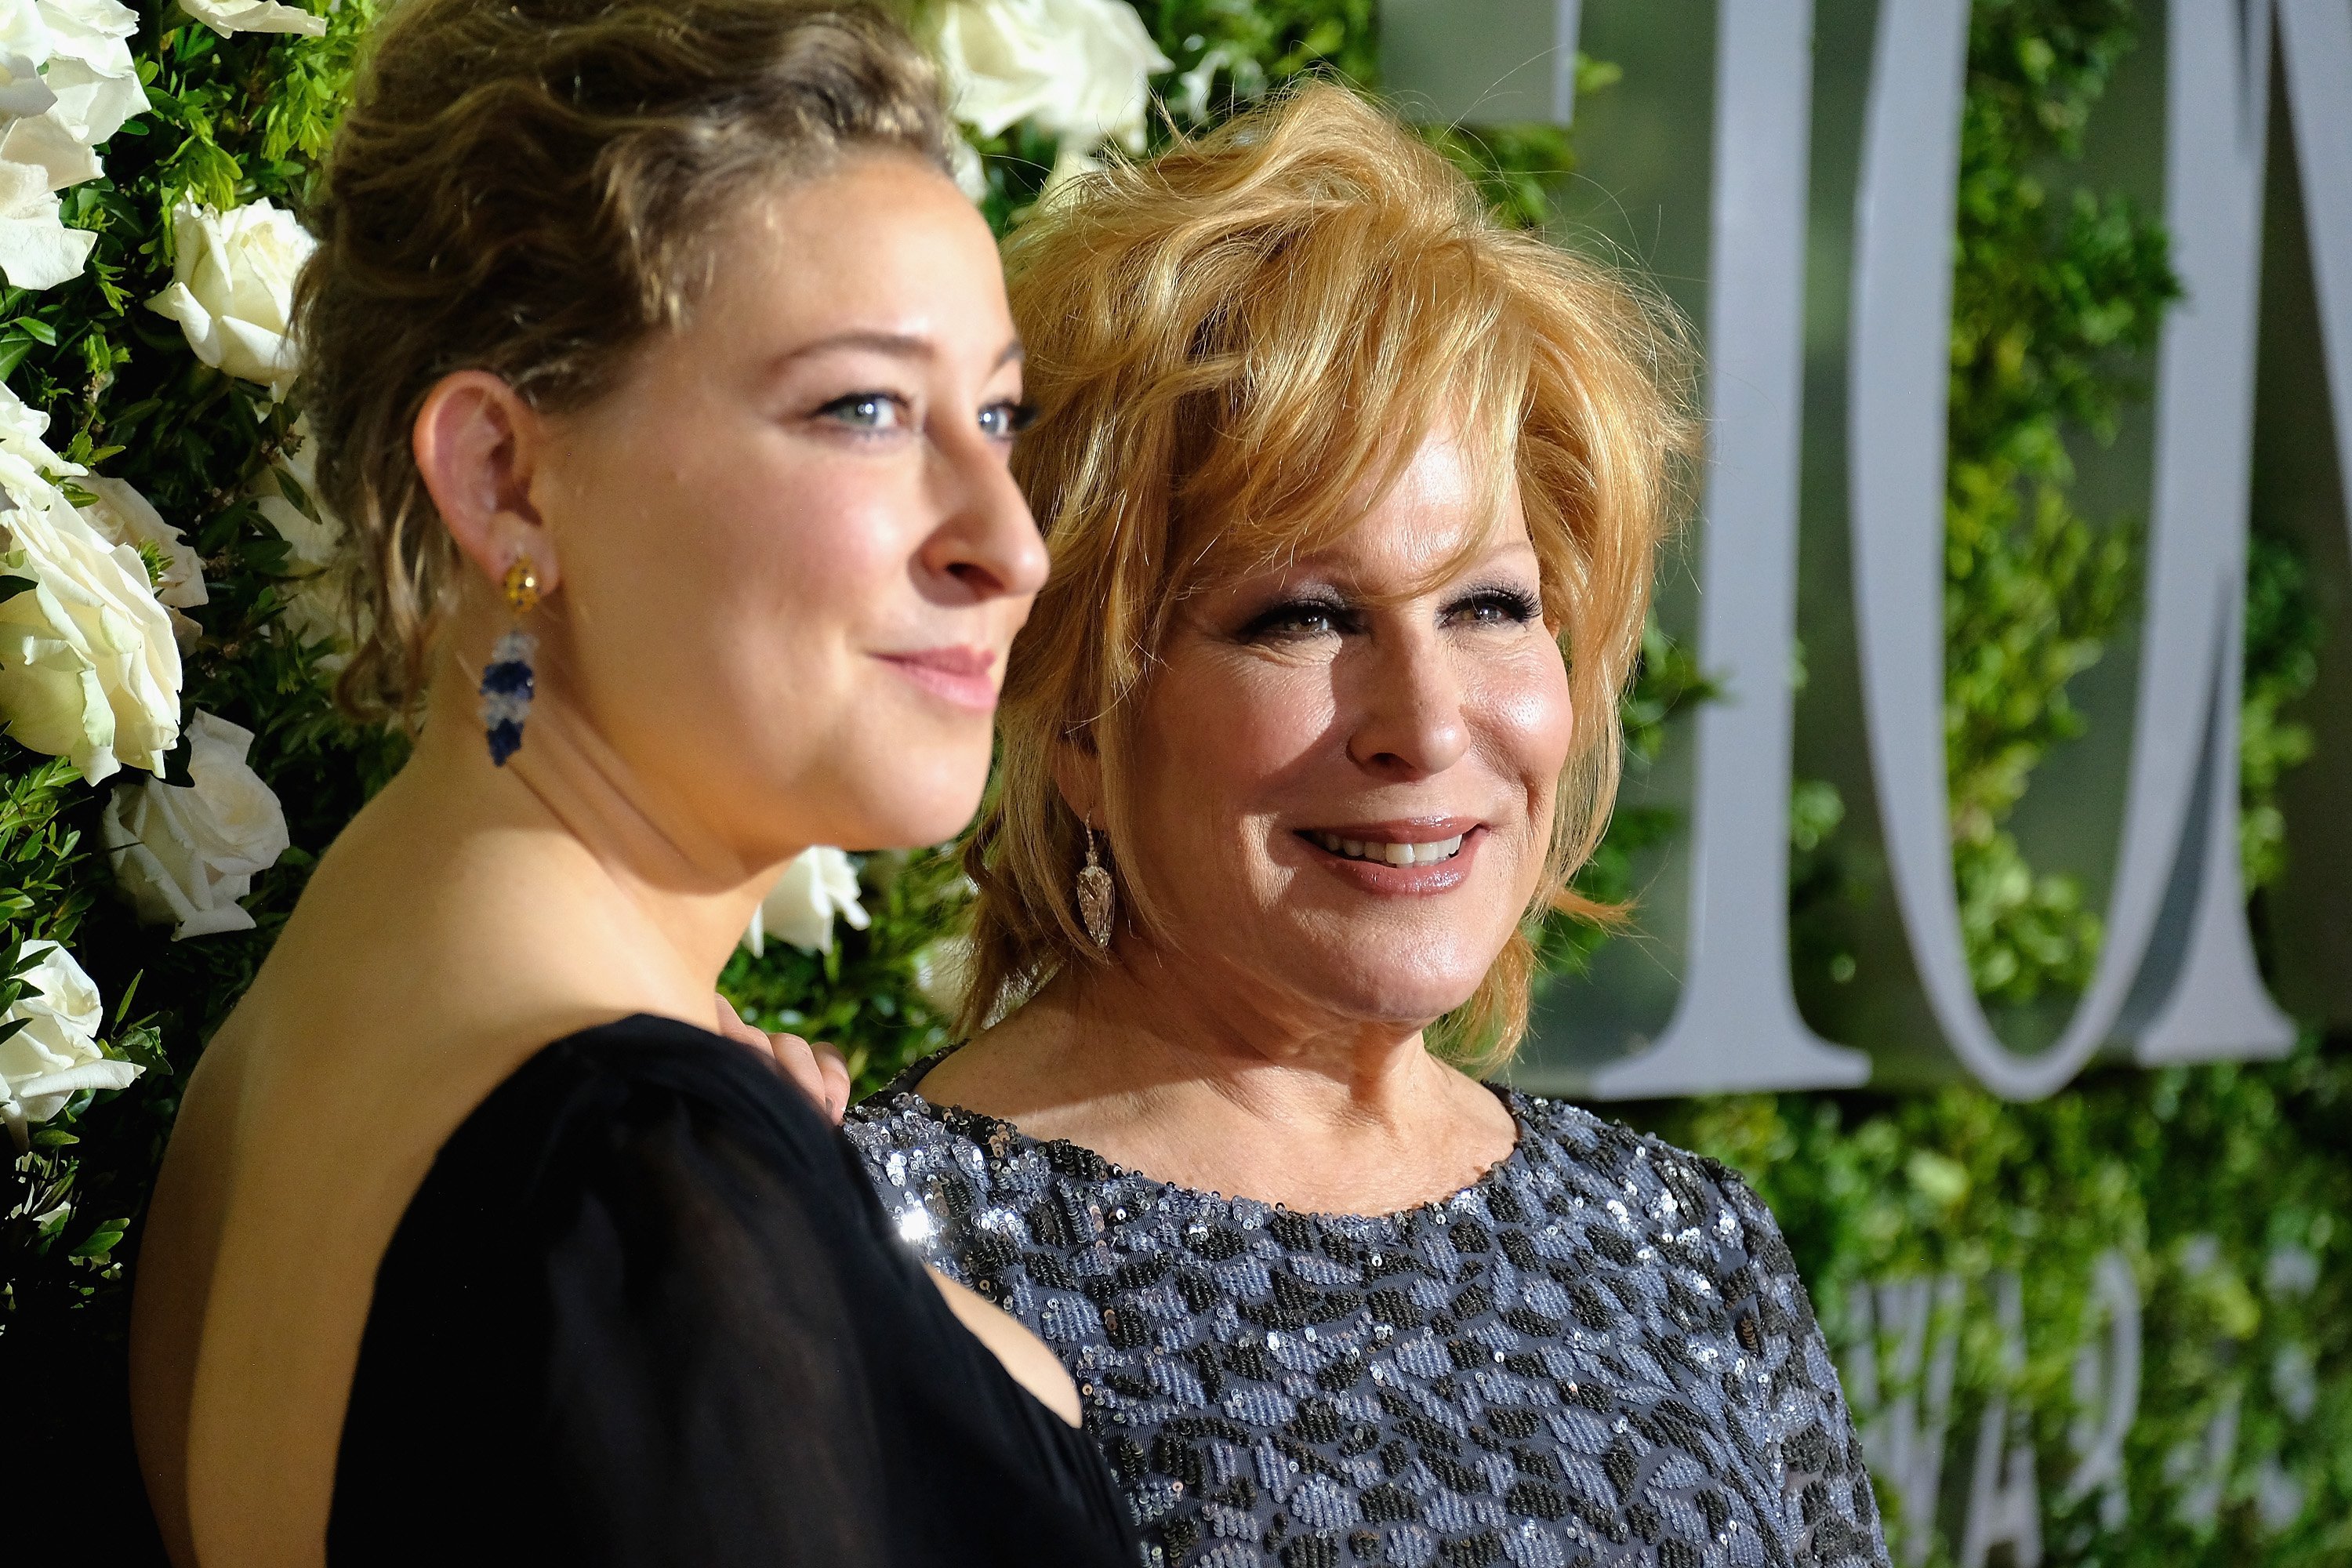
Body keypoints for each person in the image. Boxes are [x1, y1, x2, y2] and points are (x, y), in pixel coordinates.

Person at [127, 4, 1136, 1565]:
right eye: (864, 408)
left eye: (994, 417)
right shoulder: (634, 1164)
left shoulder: (328, 1018)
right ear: (503, 479)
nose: (1008, 541)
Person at [847, 84, 1890, 1568]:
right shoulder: (871, 1252)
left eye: (1491, 606)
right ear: (1078, 713)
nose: (1428, 719)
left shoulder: (1682, 1248)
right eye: (1305, 614)